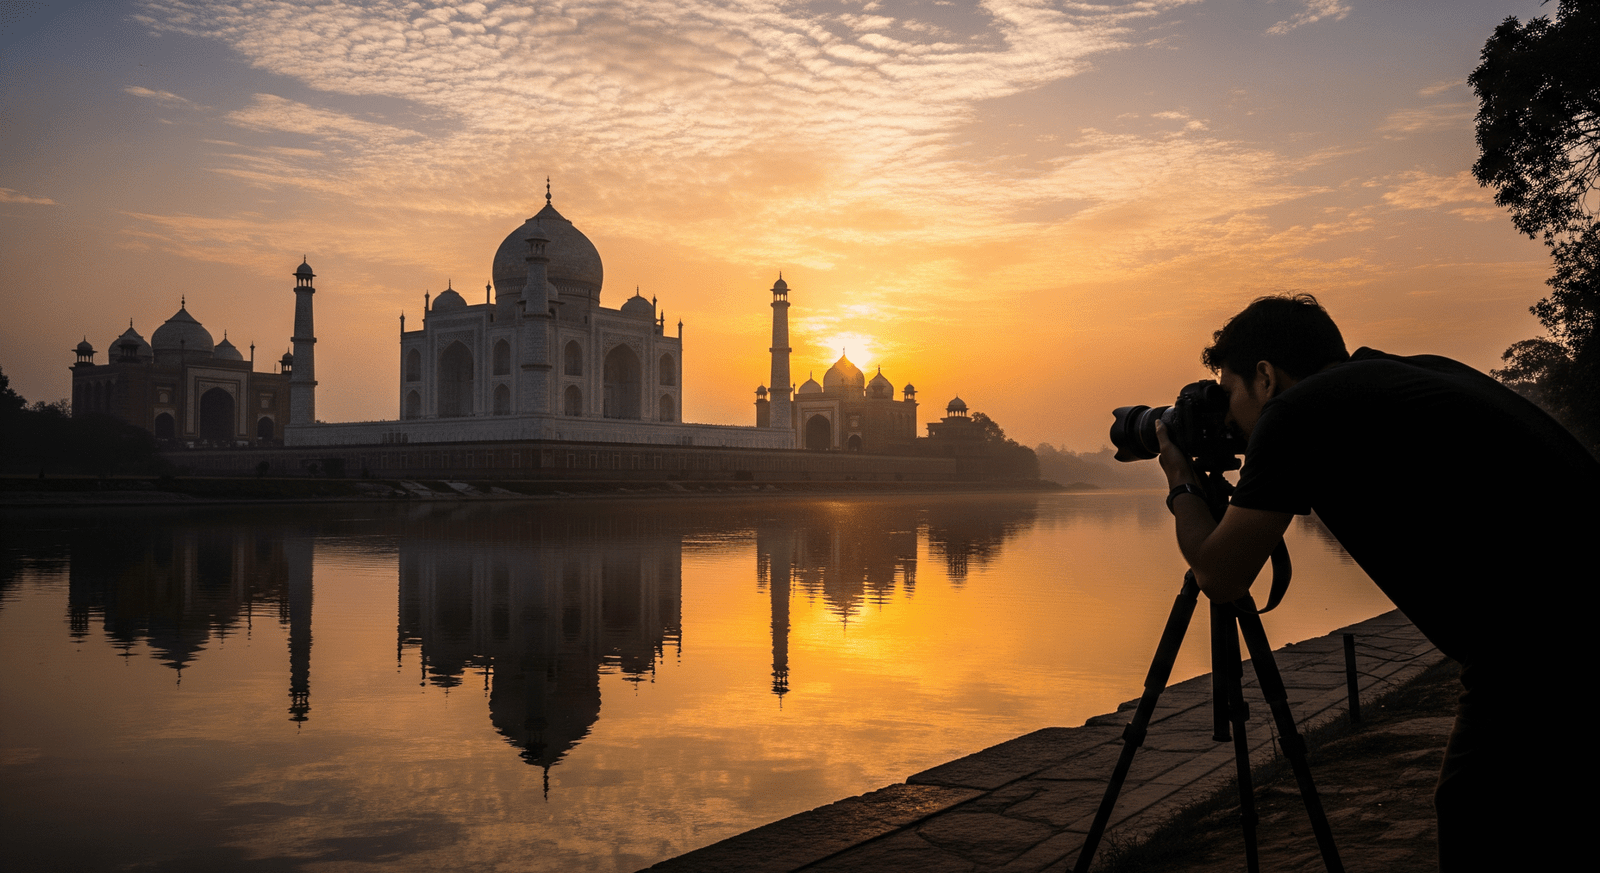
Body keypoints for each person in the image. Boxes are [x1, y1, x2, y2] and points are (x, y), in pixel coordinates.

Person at [1155, 293, 1597, 870]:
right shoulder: (1415, 373)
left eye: (1229, 390)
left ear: (1265, 377)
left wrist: (1181, 477)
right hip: (1559, 623)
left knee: (1480, 820)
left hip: (1542, 650)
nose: (1229, 415)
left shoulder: (1299, 412)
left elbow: (1220, 574)